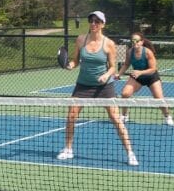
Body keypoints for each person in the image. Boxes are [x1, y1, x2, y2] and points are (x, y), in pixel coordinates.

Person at [56, 11, 138, 166]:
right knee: (71, 116)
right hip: (83, 85)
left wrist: (106, 75)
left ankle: (130, 152)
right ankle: (68, 149)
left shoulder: (109, 44)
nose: (93, 24)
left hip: (104, 87)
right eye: (91, 21)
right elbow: (75, 61)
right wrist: (69, 66)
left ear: (103, 24)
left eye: (97, 21)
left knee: (115, 118)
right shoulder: (81, 39)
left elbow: (113, 67)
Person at [117, 34, 174, 125]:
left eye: (137, 41)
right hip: (137, 77)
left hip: (151, 76)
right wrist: (118, 74)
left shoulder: (148, 52)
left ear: (142, 42)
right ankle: (124, 116)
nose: (134, 43)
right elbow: (126, 64)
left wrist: (140, 72)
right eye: (133, 41)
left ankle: (167, 116)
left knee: (159, 98)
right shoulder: (129, 52)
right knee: (125, 94)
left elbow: (153, 69)